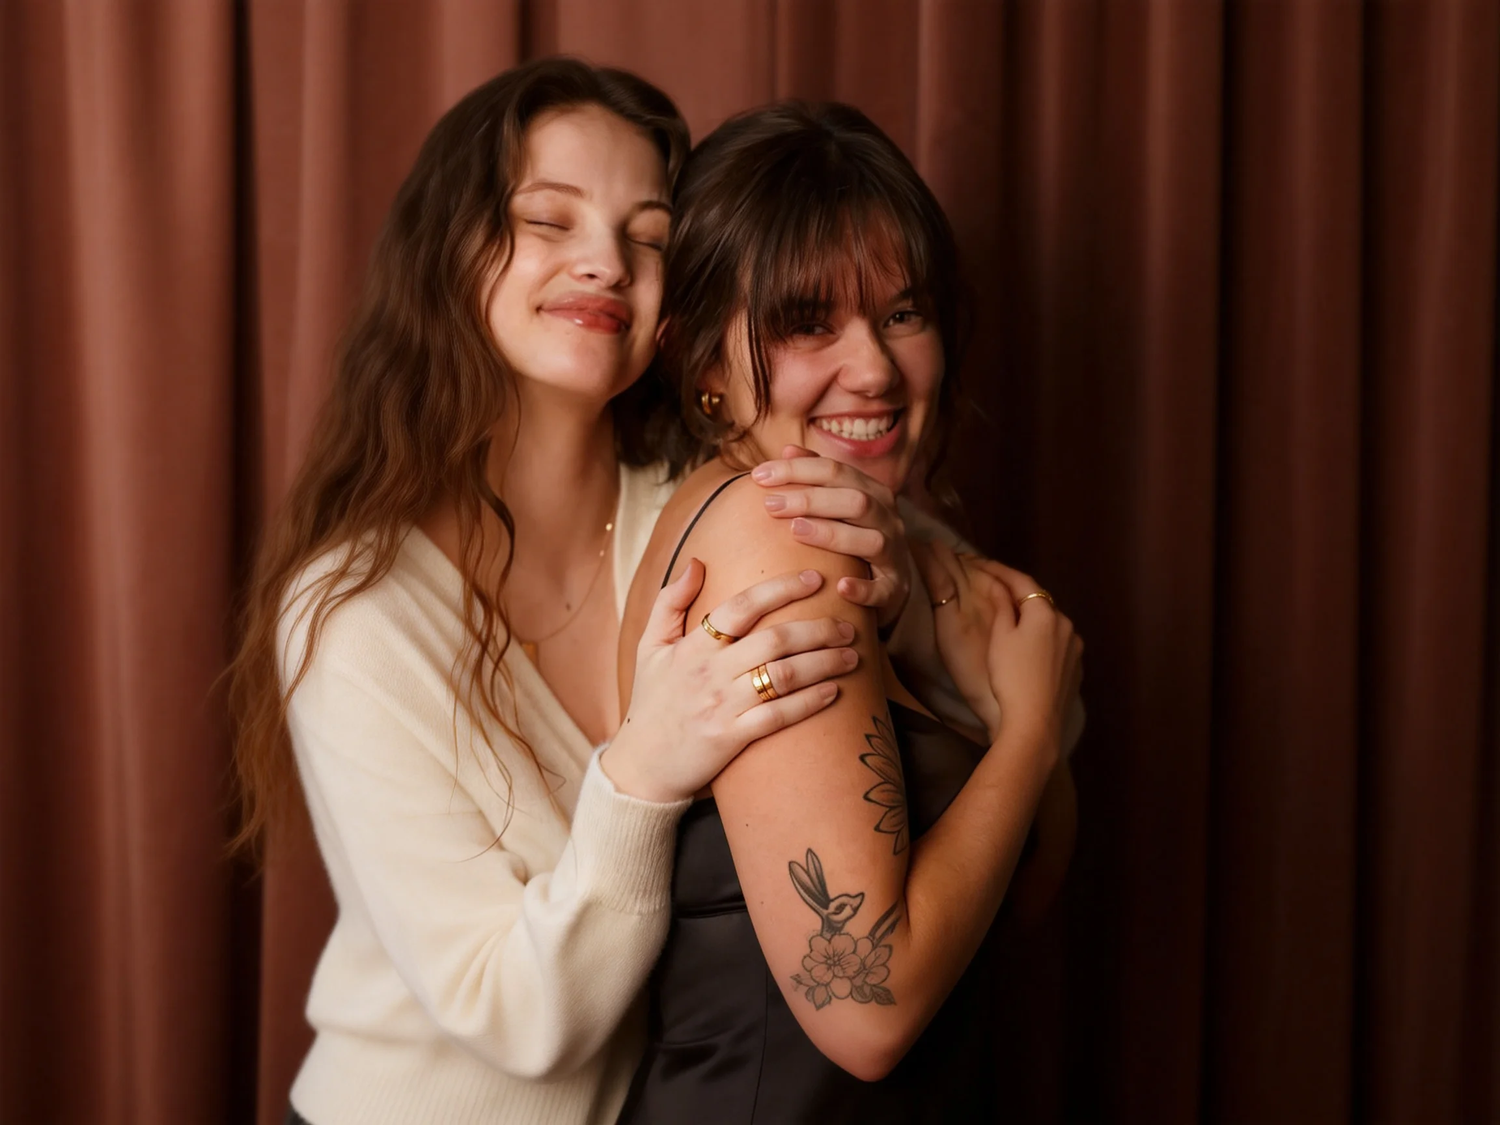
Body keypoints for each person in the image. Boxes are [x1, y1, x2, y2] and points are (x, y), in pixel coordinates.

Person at [228, 62, 930, 1125]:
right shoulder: (355, 612)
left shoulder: (709, 511)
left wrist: (908, 601)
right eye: (549, 222)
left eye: (648, 237)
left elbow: (1006, 676)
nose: (605, 262)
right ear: (449, 254)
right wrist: (644, 767)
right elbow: (520, 1019)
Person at [615, 100, 1084, 1122]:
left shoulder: (898, 546)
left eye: (902, 313)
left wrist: (941, 651)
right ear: (703, 363)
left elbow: (1016, 899)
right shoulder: (775, 532)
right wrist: (1031, 731)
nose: (873, 369)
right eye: (806, 323)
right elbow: (865, 1009)